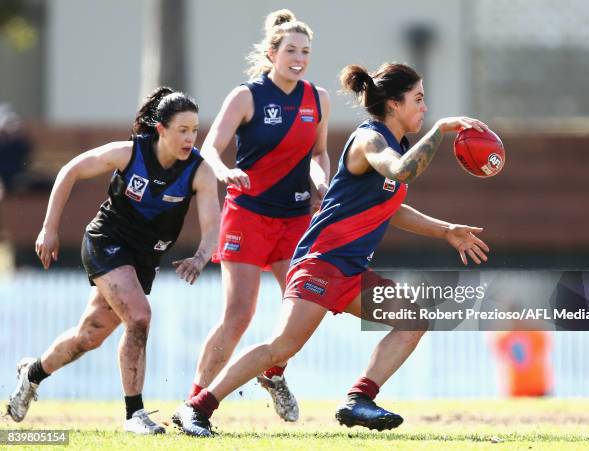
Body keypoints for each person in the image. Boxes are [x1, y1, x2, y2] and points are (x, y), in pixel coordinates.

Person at [172, 62, 491, 436]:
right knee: (280, 348)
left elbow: (392, 205)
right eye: (418, 99)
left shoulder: (395, 144)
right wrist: (439, 130)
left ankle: (358, 399)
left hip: (351, 270)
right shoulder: (369, 140)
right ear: (393, 104)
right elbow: (402, 171)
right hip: (322, 263)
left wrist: (446, 230)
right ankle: (196, 407)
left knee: (412, 320)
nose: (424, 107)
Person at [5, 87, 220, 434]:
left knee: (88, 336)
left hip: (143, 258)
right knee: (139, 317)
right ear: (161, 129)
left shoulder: (199, 171)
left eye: (194, 130)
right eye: (182, 130)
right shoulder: (129, 152)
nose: (190, 138)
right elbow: (70, 170)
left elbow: (213, 228)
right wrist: (49, 228)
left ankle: (32, 374)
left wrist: (200, 256)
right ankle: (134, 415)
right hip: (107, 242)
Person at [178, 9, 330, 424]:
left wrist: (321, 181)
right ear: (272, 52)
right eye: (291, 50)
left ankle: (274, 373)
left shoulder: (317, 99)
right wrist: (225, 170)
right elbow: (209, 147)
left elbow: (318, 153)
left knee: (303, 309)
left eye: (305, 51)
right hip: (248, 216)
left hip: (297, 218)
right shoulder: (246, 96)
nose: (298, 58)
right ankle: (193, 403)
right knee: (238, 315)